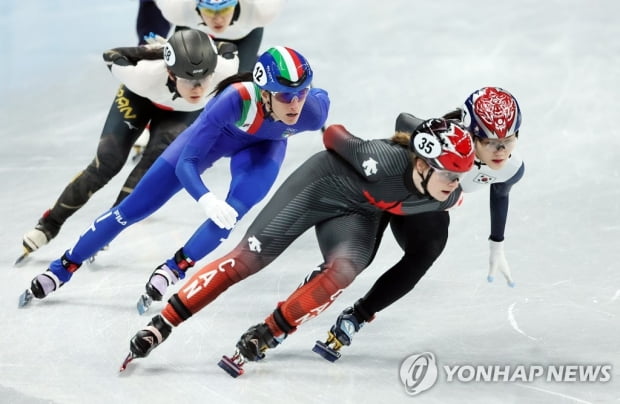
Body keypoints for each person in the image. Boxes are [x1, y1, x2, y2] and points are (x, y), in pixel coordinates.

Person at [123, 116, 476, 376]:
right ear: (421, 163)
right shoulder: (379, 160)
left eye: (458, 177)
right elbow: (335, 134)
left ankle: (268, 332)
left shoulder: (446, 197)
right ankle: (163, 323)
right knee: (247, 259)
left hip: (358, 211)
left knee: (343, 271)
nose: (453, 184)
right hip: (320, 186)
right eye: (448, 174)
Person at [19, 46, 329, 309]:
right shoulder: (232, 101)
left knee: (232, 213)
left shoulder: (312, 112)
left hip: (265, 147)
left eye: (301, 93)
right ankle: (64, 267)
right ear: (264, 93)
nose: (296, 104)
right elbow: (187, 163)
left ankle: (175, 267)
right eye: (286, 96)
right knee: (132, 209)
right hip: (211, 143)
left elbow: (320, 99)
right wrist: (205, 198)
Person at [314, 87, 524, 361]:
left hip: (424, 203)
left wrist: (497, 245)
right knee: (356, 260)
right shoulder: (449, 136)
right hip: (389, 183)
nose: (500, 151)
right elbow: (403, 120)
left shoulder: (511, 167)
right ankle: (316, 284)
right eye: (489, 141)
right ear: (471, 135)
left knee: (429, 247)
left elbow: (501, 191)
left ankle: (357, 317)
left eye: (508, 141)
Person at [17, 29, 237, 265]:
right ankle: (50, 224)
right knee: (107, 163)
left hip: (180, 115)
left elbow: (229, 49)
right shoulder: (142, 75)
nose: (198, 88)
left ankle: (105, 227)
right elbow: (111, 55)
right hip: (139, 97)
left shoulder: (225, 69)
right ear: (171, 74)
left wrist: (205, 46)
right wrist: (156, 52)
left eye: (205, 79)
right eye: (189, 79)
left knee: (150, 168)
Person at [154, 0, 285, 72]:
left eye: (225, 9)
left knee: (235, 83)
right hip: (195, 30)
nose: (218, 19)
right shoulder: (177, 9)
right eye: (209, 10)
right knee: (186, 74)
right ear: (197, 6)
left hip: (245, 36)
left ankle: (256, 65)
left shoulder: (262, 10)